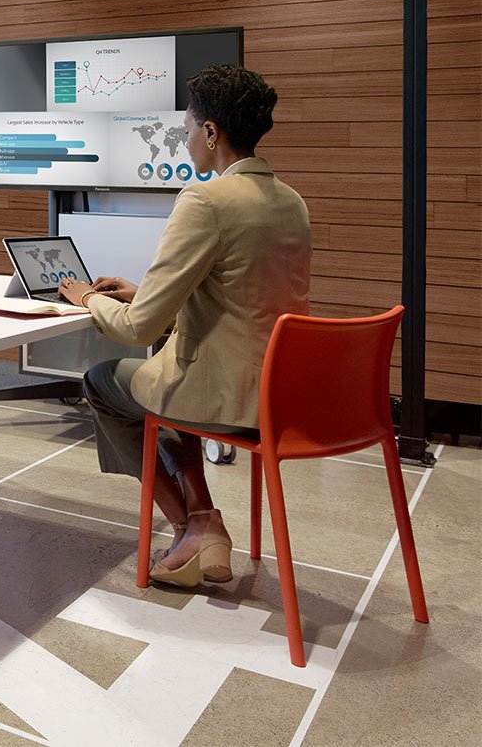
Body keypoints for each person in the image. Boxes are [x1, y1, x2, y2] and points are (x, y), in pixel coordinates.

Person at [58, 64, 311, 588]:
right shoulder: (291, 201)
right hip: (281, 392)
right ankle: (202, 520)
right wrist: (141, 290)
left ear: (212, 132)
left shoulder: (205, 200)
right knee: (161, 380)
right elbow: (240, 294)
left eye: (189, 126)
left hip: (224, 396)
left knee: (106, 383)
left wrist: (88, 299)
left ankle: (192, 523)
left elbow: (135, 327)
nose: (185, 137)